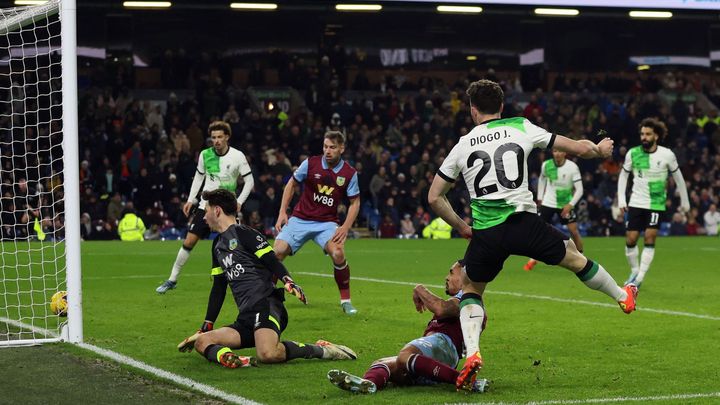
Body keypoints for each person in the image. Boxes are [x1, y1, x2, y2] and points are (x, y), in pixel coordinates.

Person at [427, 79, 638, 391]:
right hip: (523, 223)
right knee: (574, 257)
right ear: (501, 106)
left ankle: (473, 353)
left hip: (486, 232)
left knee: (472, 288)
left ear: (472, 110)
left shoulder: (463, 144)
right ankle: (623, 297)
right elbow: (578, 147)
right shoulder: (520, 127)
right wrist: (600, 149)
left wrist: (462, 227)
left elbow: (434, 197)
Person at [177, 189, 357, 368]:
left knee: (267, 354)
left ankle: (322, 350)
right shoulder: (217, 245)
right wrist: (207, 325)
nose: (203, 217)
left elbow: (271, 259)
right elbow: (219, 287)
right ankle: (233, 359)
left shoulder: (245, 233)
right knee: (202, 342)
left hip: (266, 305)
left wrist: (288, 281)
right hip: (246, 316)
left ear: (217, 211)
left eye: (206, 210)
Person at [327, 259, 489, 394]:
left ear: (464, 278)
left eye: (451, 272)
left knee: (405, 356)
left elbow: (440, 308)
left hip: (444, 345)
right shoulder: (467, 303)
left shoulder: (468, 302)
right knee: (386, 364)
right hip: (438, 357)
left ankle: (464, 380)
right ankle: (369, 384)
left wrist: (419, 289)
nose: (447, 277)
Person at [156, 121, 254, 294]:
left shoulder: (238, 156)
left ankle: (246, 281)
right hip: (207, 207)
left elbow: (249, 181)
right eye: (213, 137)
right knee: (189, 241)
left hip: (227, 207)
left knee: (236, 246)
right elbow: (198, 179)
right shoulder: (205, 155)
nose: (216, 141)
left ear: (227, 137)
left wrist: (239, 201)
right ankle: (172, 280)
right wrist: (190, 200)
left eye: (219, 137)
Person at [274, 131, 361, 315]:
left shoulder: (349, 173)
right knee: (277, 251)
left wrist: (345, 227)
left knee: (338, 254)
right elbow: (292, 183)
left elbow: (355, 202)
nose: (327, 151)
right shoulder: (311, 163)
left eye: (332, 147)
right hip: (300, 218)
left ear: (341, 149)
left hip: (327, 223)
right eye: (325, 147)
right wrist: (283, 211)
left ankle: (346, 301)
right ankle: (266, 296)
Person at [617, 118, 690, 288]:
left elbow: (679, 179)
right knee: (631, 238)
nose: (644, 137)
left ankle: (639, 278)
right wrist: (621, 198)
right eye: (642, 134)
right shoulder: (632, 153)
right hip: (636, 201)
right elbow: (623, 176)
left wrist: (685, 202)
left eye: (648, 134)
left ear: (656, 136)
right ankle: (634, 270)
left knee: (650, 236)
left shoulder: (667, 155)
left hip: (656, 203)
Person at [524, 149, 584, 271]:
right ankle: (533, 259)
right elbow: (542, 180)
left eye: (560, 151)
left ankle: (581, 257)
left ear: (565, 153)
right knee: (538, 230)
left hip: (565, 204)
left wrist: (570, 205)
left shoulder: (572, 167)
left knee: (573, 231)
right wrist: (540, 198)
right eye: (555, 151)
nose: (557, 154)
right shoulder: (546, 165)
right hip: (548, 202)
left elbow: (580, 189)